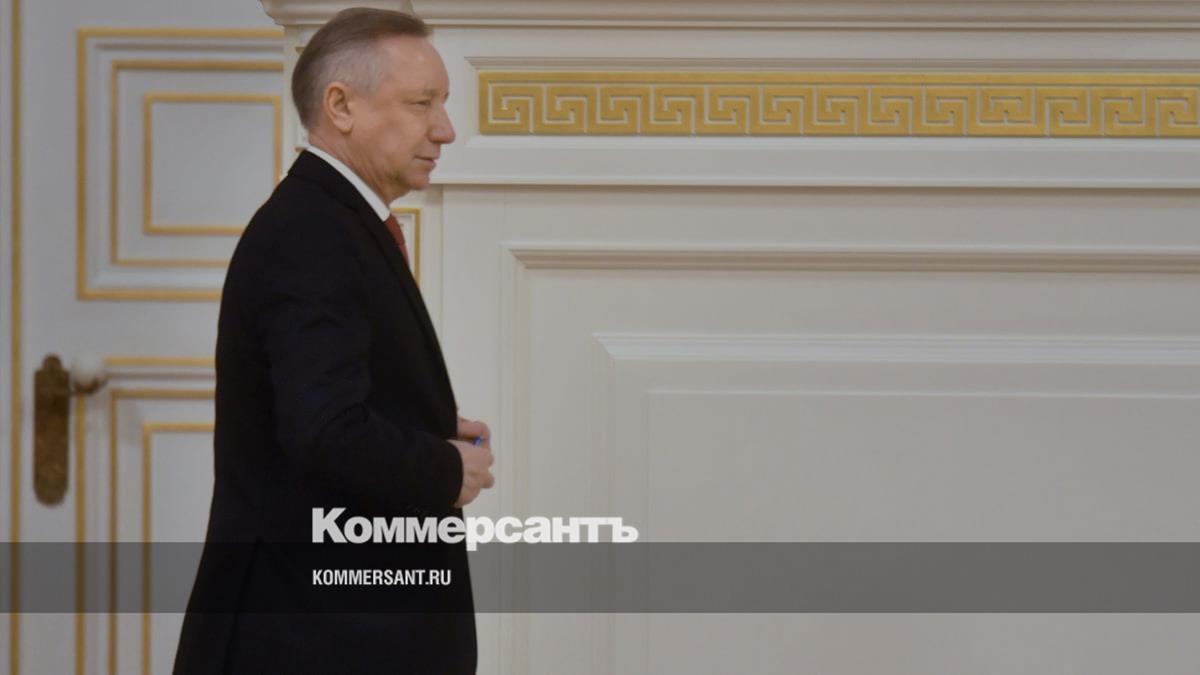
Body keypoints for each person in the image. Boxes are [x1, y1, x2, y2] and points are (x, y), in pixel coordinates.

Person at [173, 8, 493, 673]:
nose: (445, 129)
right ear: (341, 106)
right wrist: (444, 470)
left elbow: (324, 405)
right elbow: (324, 432)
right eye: (421, 104)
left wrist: (424, 425)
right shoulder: (313, 234)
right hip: (312, 637)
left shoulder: (330, 221)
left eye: (442, 104)